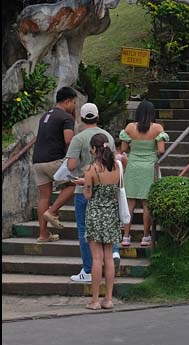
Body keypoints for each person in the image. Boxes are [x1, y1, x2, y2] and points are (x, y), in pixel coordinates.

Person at [64, 102, 120, 283]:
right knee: (110, 223)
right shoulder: (108, 137)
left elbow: (71, 165)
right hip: (107, 190)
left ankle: (88, 269)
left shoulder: (78, 139)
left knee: (84, 230)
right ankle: (115, 251)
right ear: (98, 117)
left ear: (81, 118)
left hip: (84, 189)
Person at [119, 100, 169, 248]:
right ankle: (146, 236)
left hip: (133, 166)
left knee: (130, 203)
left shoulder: (129, 128)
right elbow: (161, 150)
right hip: (149, 167)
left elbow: (123, 148)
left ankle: (126, 236)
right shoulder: (158, 128)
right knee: (147, 204)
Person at [31, 86, 77, 240]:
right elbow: (69, 140)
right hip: (54, 160)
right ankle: (52, 211)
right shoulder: (66, 118)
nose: (74, 106)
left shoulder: (46, 115)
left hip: (37, 161)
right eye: (74, 103)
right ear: (68, 101)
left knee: (44, 197)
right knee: (74, 184)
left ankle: (43, 234)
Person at [83, 134, 121, 310]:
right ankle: (109, 299)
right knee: (109, 258)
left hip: (95, 215)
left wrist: (84, 183)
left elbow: (88, 195)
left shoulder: (91, 169)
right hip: (111, 215)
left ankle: (95, 300)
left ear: (93, 149)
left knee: (96, 258)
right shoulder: (117, 167)